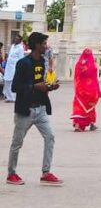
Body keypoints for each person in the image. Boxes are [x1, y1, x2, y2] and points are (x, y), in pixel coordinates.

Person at [7, 32, 62, 186]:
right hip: (25, 110)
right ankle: (11, 174)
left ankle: (46, 172)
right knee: (17, 142)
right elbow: (15, 86)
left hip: (40, 109)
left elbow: (42, 82)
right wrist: (34, 86)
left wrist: (50, 86)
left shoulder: (42, 62)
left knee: (50, 137)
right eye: (44, 43)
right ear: (37, 45)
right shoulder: (23, 63)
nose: (46, 46)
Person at [71, 48, 101, 132]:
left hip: (81, 89)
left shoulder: (79, 64)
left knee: (79, 107)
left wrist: (77, 87)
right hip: (92, 89)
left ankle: (78, 125)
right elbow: (95, 78)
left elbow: (76, 77)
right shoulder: (93, 65)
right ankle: (91, 123)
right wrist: (99, 91)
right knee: (90, 107)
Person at [3, 35, 25, 103]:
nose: (15, 40)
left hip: (14, 67)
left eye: (17, 39)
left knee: (13, 82)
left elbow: (21, 59)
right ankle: (9, 97)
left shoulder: (20, 48)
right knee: (7, 81)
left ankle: (13, 98)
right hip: (8, 67)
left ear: (20, 41)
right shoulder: (12, 46)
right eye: (15, 38)